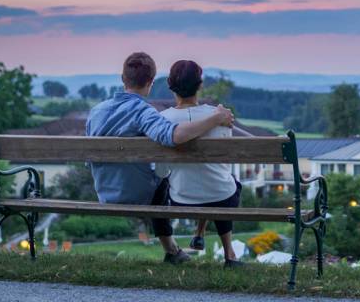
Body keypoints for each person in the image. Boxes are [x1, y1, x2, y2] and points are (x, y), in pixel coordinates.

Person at [86, 52, 234, 264]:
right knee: (163, 178)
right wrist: (217, 117)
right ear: (150, 82)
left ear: (122, 78)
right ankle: (172, 251)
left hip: (105, 191)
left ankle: (175, 249)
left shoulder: (96, 111)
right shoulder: (143, 112)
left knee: (162, 172)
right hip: (136, 193)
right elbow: (175, 137)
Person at [157, 60, 243, 268]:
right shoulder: (221, 117)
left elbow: (161, 172)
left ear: (171, 86)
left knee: (190, 180)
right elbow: (225, 164)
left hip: (182, 199)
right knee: (226, 184)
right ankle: (230, 255)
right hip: (222, 196)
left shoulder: (162, 120)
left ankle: (196, 235)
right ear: (200, 85)